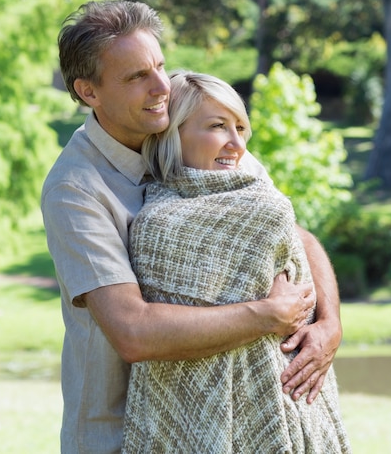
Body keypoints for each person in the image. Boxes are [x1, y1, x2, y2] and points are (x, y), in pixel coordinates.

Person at [41, 0, 343, 453]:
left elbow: (289, 232)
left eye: (159, 65)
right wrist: (267, 316)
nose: (161, 86)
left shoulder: (197, 129)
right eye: (136, 76)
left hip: (223, 428)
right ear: (88, 92)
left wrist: (329, 324)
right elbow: (133, 331)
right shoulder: (75, 189)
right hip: (120, 434)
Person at [121, 71, 351, 453]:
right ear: (171, 134)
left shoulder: (257, 193)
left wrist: (330, 322)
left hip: (286, 399)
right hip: (185, 419)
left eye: (241, 128)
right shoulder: (154, 223)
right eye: (217, 126)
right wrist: (266, 313)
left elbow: (299, 237)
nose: (237, 145)